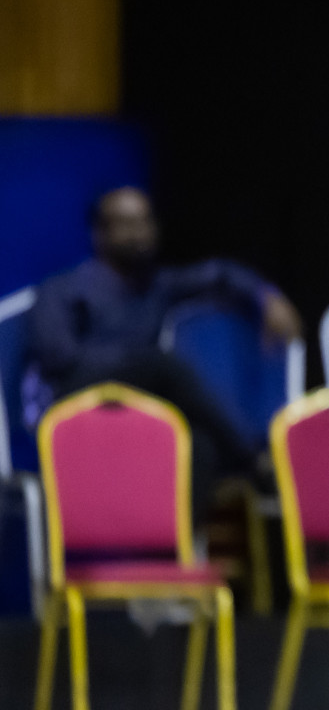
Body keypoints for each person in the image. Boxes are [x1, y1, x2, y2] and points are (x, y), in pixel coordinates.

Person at [25, 185, 303, 514]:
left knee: (199, 445)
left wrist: (265, 295)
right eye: (126, 223)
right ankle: (252, 462)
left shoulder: (157, 285)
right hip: (71, 404)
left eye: (145, 222)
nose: (139, 233)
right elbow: (59, 358)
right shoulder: (62, 289)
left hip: (136, 409)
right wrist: (135, 364)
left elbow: (218, 274)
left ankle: (178, 551)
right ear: (100, 233)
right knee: (162, 366)